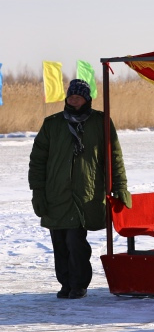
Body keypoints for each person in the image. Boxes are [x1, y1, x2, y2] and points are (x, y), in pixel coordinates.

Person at [28, 78, 130, 299]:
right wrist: (37, 191)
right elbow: (37, 160)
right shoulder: (52, 124)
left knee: (75, 241)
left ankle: (79, 284)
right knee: (60, 242)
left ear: (87, 98)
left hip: (86, 193)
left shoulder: (100, 122)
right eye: (71, 95)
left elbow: (114, 157)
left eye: (79, 95)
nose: (74, 99)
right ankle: (65, 283)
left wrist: (120, 186)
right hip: (55, 193)